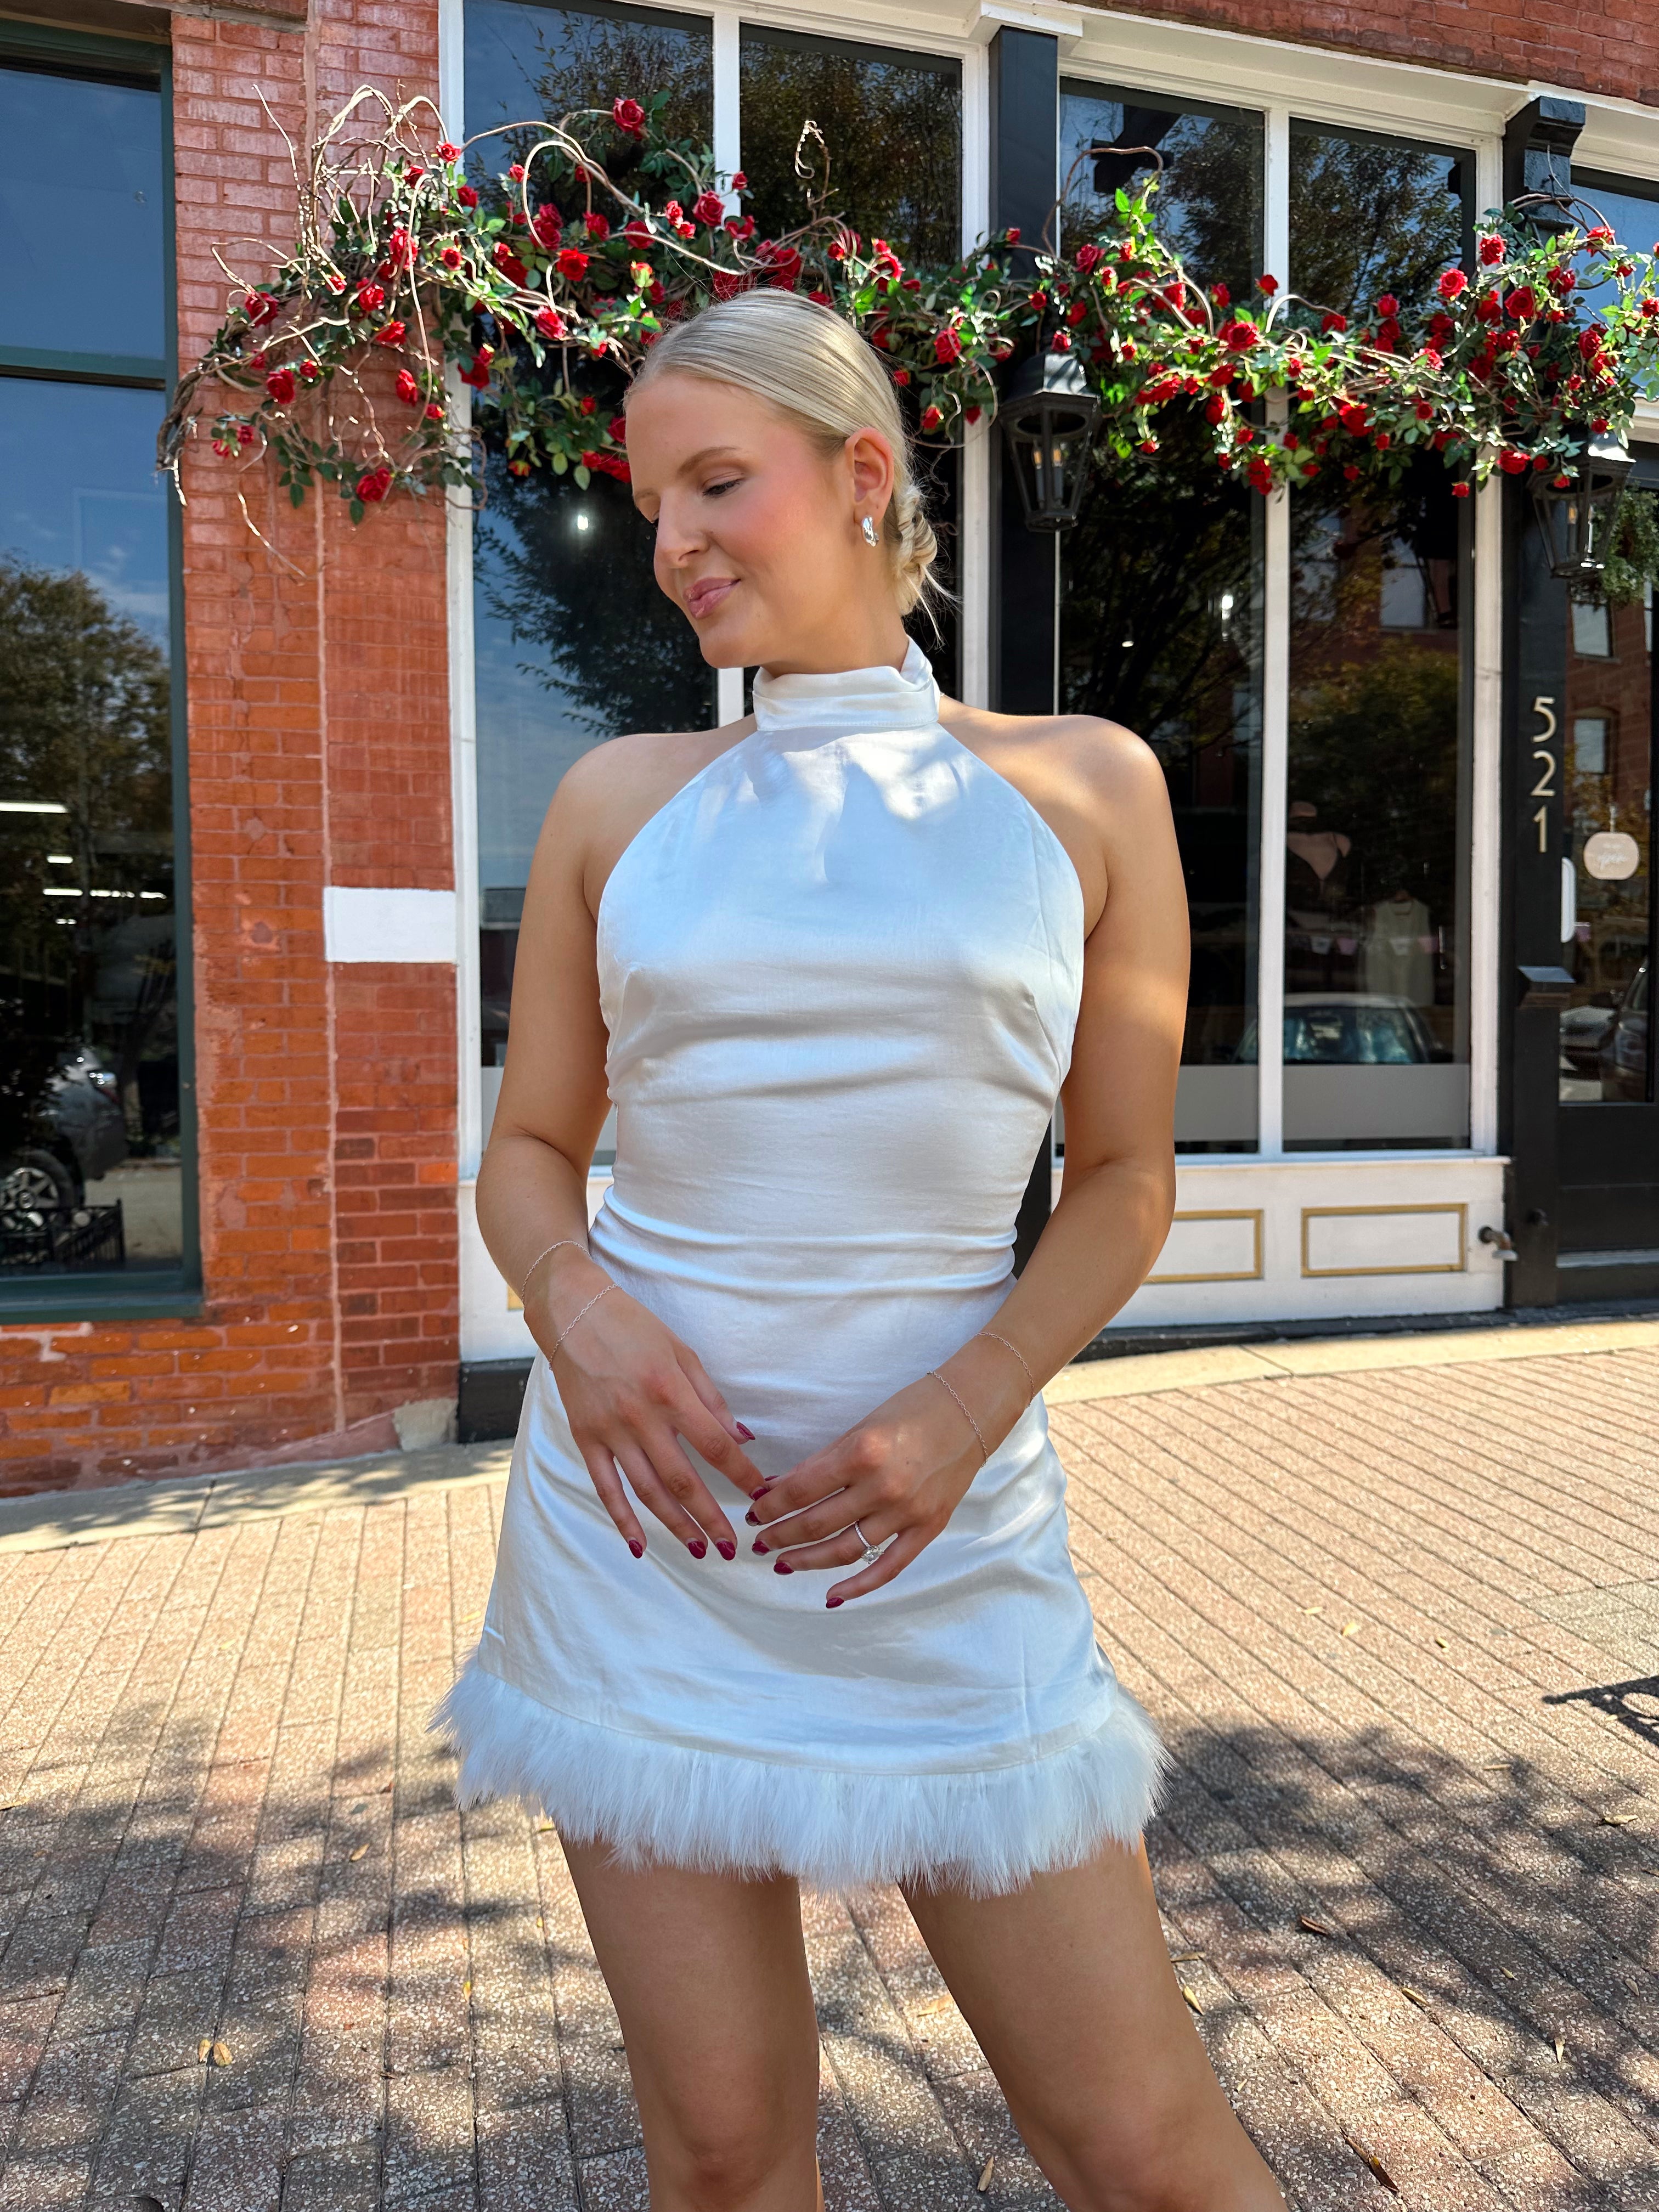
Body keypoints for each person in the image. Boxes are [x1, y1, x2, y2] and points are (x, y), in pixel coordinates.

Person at [434, 288, 1285, 2212]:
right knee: (728, 2155)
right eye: (652, 500)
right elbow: (533, 1156)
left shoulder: (1086, 786)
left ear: (866, 475)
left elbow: (1126, 1179)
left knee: (1138, 2142)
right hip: (639, 1546)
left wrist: (968, 1407)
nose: (672, 542)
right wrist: (571, 1312)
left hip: (944, 1539)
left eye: (717, 482)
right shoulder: (611, 804)